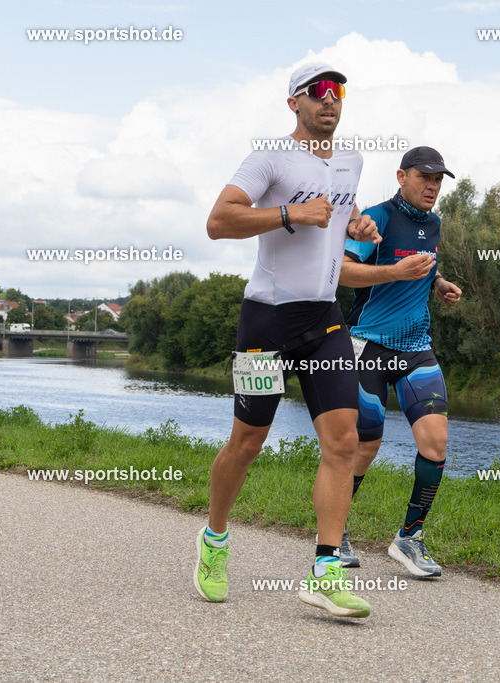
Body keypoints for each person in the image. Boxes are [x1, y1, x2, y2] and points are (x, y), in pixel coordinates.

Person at [193, 62, 381, 618]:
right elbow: (218, 221)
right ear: (294, 102)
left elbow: (339, 220)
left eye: (337, 90)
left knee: (343, 442)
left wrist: (358, 224)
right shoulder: (268, 158)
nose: (330, 100)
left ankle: (325, 571)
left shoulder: (351, 162)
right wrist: (289, 212)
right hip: (266, 323)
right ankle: (215, 540)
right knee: (248, 443)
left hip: (324, 321)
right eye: (318, 91)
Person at [338, 146, 461, 577]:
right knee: (364, 445)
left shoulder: (434, 224)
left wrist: (439, 283)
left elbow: (422, 266)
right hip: (367, 345)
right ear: (401, 176)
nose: (432, 186)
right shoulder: (377, 218)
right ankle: (335, 533)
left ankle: (410, 537)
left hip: (415, 347)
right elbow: (342, 271)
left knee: (435, 443)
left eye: (438, 180)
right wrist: (395, 273)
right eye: (424, 177)